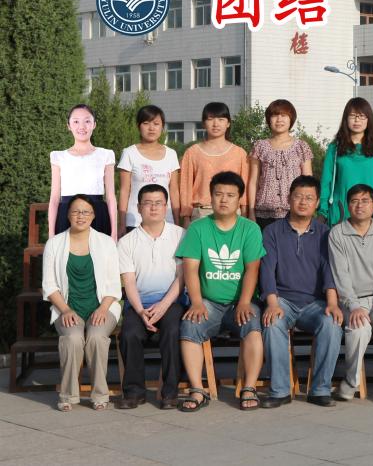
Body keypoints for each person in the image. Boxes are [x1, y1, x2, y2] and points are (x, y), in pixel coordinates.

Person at [176, 171, 265, 411]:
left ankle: (249, 387)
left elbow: (252, 269)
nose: (224, 199)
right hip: (209, 302)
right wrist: (196, 302)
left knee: (253, 325)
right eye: (218, 194)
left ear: (239, 199)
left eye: (230, 195)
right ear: (211, 196)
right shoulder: (198, 228)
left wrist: (245, 302)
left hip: (240, 302)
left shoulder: (250, 229)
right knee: (190, 325)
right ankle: (198, 390)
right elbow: (190, 269)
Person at [260, 176, 344, 408]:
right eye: (298, 196)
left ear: (317, 203)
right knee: (272, 323)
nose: (303, 202)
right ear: (289, 199)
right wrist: (272, 303)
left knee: (332, 323)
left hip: (314, 303)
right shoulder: (272, 231)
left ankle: (320, 390)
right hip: (283, 301)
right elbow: (267, 271)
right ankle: (279, 391)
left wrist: (332, 303)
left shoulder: (325, 233)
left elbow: (329, 271)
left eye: (309, 198)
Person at [42, 195, 122, 411]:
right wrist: (66, 310)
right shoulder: (54, 244)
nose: (81, 216)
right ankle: (68, 396)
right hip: (67, 308)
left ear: (93, 216)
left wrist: (103, 308)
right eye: (76, 211)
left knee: (96, 337)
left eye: (86, 212)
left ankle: (100, 395)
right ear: (68, 215)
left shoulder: (106, 243)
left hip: (102, 307)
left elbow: (114, 284)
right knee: (72, 338)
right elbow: (49, 285)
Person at [327, 184, 373, 404]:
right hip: (351, 300)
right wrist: (353, 306)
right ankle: (351, 382)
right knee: (359, 329)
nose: (360, 205)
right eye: (354, 201)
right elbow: (341, 274)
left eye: (365, 201)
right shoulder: (337, 233)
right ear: (348, 205)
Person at [115, 185, 185, 410]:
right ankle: (134, 392)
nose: (153, 207)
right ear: (138, 207)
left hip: (171, 301)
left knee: (173, 330)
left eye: (158, 203)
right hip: (139, 304)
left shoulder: (180, 235)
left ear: (166, 207)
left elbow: (182, 278)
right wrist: (140, 311)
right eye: (147, 203)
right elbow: (129, 282)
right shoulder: (127, 241)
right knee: (129, 334)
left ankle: (170, 392)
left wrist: (163, 305)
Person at [319, 98, 373, 226]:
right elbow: (326, 182)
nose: (357, 120)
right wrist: (323, 211)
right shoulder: (335, 148)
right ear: (345, 119)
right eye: (352, 116)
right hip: (340, 213)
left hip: (371, 214)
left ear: (368, 119)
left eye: (362, 116)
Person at [49, 104, 116, 239]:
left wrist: (114, 232)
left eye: (87, 121)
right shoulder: (58, 156)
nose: (82, 126)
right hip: (67, 214)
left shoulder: (106, 155)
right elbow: (54, 198)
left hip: (97, 214)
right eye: (76, 121)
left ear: (94, 124)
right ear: (68, 126)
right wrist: (51, 234)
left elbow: (110, 197)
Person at [180, 102, 249, 227]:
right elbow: (186, 187)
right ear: (203, 123)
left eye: (221, 119)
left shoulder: (239, 153)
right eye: (210, 119)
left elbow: (244, 187)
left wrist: (244, 214)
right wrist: (186, 217)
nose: (216, 124)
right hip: (201, 213)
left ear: (228, 123)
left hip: (232, 213)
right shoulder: (192, 152)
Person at [247, 99, 314, 229]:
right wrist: (251, 212)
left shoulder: (301, 146)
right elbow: (253, 181)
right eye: (275, 115)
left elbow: (308, 182)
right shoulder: (260, 146)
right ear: (268, 120)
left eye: (283, 115)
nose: (279, 119)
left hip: (294, 212)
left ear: (291, 119)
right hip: (263, 213)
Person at [117, 105, 180, 235]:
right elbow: (124, 191)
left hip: (165, 222)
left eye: (156, 124)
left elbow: (174, 191)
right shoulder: (129, 153)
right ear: (138, 126)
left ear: (162, 127)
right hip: (135, 221)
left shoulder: (171, 154)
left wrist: (177, 222)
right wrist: (122, 224)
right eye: (146, 123)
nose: (151, 128)